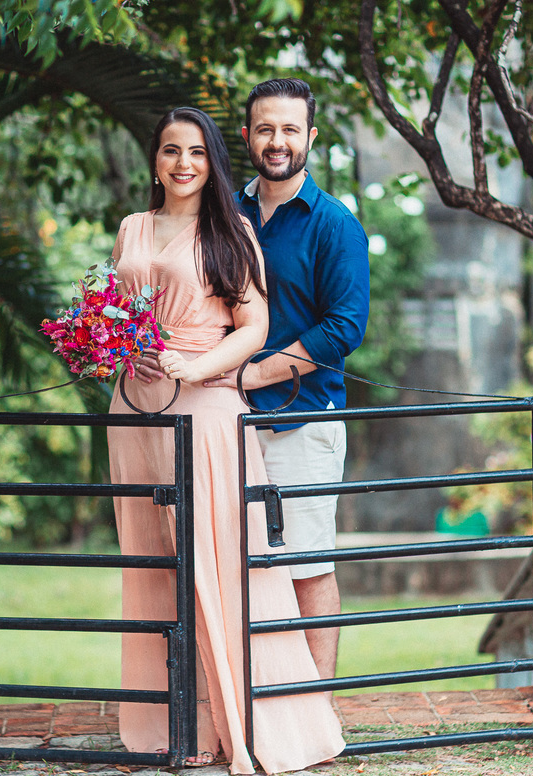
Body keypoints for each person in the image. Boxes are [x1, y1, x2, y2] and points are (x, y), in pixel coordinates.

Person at [108, 107, 345, 775]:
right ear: (155, 160)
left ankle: (244, 723)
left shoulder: (229, 231)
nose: (183, 163)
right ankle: (174, 724)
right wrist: (106, 343)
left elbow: (254, 325)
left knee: (219, 563)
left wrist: (197, 367)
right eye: (170, 150)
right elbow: (119, 309)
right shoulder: (131, 227)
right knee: (153, 563)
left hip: (204, 406)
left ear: (213, 162)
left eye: (196, 152)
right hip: (134, 408)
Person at [204, 78, 370, 682]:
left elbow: (343, 327)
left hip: (301, 422)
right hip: (222, 421)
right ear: (247, 135)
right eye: (266, 129)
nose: (278, 141)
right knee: (230, 568)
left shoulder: (334, 224)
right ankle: (249, 705)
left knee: (307, 567)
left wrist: (251, 375)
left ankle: (317, 706)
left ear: (311, 137)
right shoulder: (221, 215)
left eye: (290, 129)